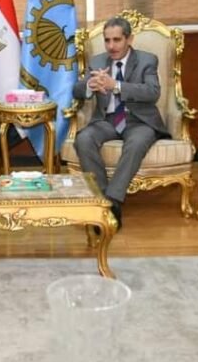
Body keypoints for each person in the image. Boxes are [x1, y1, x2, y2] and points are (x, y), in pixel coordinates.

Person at [72, 16, 169, 228]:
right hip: (107, 120)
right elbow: (76, 90)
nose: (111, 46)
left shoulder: (147, 60)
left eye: (117, 40)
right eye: (107, 40)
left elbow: (152, 92)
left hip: (139, 121)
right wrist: (90, 84)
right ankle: (101, 198)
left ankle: (112, 200)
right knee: (83, 139)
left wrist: (115, 85)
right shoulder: (98, 62)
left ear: (129, 39)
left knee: (136, 143)